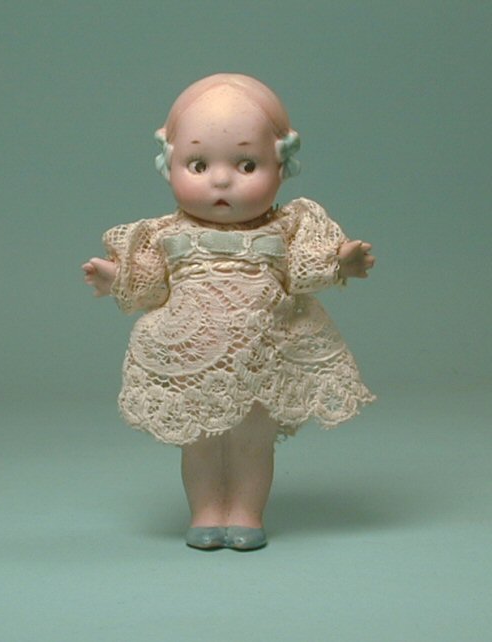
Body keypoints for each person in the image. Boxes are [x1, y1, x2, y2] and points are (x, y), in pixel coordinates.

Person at [82, 73, 375, 551]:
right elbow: (152, 284)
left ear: (281, 165)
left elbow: (304, 271)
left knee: (251, 442)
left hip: (262, 359)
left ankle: (245, 513)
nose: (221, 180)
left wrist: (340, 262)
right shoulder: (165, 234)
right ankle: (205, 512)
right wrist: (118, 278)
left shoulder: (287, 228)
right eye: (198, 164)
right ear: (169, 162)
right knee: (199, 441)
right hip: (192, 358)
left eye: (246, 164)